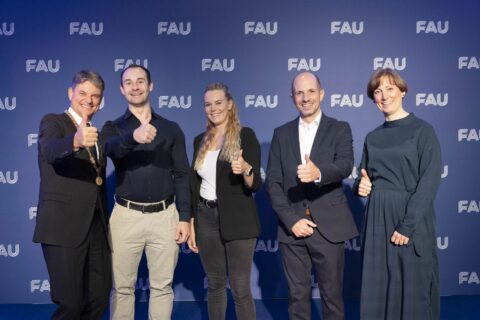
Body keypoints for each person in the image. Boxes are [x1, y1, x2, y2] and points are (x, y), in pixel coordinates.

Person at [266, 72, 358, 320]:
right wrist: (291, 220)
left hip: (329, 226)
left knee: (332, 297)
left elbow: (346, 165)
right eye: (299, 93)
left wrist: (319, 172)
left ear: (321, 94)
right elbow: (272, 182)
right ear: (292, 97)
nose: (305, 98)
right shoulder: (281, 133)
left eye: (310, 92)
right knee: (297, 298)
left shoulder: (339, 128)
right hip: (292, 227)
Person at [101, 64, 191, 319]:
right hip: (125, 217)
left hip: (165, 217)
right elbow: (109, 149)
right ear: (121, 89)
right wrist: (134, 136)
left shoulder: (171, 128)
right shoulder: (114, 127)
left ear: (150, 86)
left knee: (162, 287)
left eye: (140, 81)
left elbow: (182, 174)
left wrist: (184, 216)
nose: (135, 86)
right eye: (128, 82)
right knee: (122, 288)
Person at [354, 68, 441, 320]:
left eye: (390, 88)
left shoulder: (423, 131)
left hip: (409, 219)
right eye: (378, 91)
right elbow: (365, 175)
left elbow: (429, 181)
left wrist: (407, 224)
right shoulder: (372, 137)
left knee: (414, 291)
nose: (384, 95)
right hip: (376, 220)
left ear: (403, 92)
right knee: (377, 291)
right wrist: (362, 185)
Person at [33, 70, 111, 319]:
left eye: (95, 96)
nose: (89, 100)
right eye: (83, 93)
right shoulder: (53, 122)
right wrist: (75, 141)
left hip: (95, 228)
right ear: (70, 93)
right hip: (63, 227)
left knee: (98, 299)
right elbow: (50, 151)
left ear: (101, 101)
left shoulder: (97, 135)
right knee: (71, 305)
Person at [187, 83, 261, 320]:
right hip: (205, 218)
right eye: (208, 104)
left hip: (238, 219)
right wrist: (192, 222)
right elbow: (193, 185)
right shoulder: (200, 140)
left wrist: (247, 169)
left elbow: (255, 183)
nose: (213, 108)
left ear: (229, 104)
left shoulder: (244, 135)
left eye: (218, 103)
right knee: (215, 285)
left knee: (240, 289)